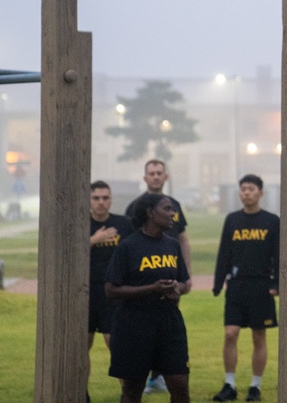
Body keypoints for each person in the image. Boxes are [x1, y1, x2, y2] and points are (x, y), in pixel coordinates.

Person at [105, 193, 191, 403]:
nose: (173, 213)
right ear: (150, 213)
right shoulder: (128, 246)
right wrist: (152, 288)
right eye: (167, 208)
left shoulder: (172, 245)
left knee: (180, 385)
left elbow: (184, 282)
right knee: (133, 390)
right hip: (135, 323)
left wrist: (176, 289)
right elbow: (111, 290)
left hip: (169, 322)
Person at [126, 159, 192, 395]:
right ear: (145, 178)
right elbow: (127, 243)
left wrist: (187, 273)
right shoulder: (135, 206)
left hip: (170, 273)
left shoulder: (174, 205)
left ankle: (161, 375)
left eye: (159, 173)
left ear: (165, 177)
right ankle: (139, 376)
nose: (155, 177)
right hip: (143, 279)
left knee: (167, 322)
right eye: (151, 173)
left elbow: (182, 238)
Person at [211, 175, 280, 403]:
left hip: (261, 286)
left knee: (258, 337)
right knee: (230, 333)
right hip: (237, 287)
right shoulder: (232, 220)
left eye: (250, 189)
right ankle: (229, 384)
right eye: (243, 189)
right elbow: (224, 252)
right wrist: (218, 282)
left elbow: (279, 256)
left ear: (260, 193)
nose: (246, 193)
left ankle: (255, 387)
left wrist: (277, 284)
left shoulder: (272, 221)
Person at [88, 181, 134, 399]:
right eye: (96, 198)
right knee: (81, 347)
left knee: (115, 344)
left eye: (105, 198)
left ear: (111, 199)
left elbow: (136, 250)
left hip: (113, 294)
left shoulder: (123, 224)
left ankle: (128, 394)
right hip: (85, 293)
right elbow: (66, 251)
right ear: (88, 200)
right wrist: (93, 240)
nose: (101, 202)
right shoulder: (80, 224)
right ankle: (80, 393)